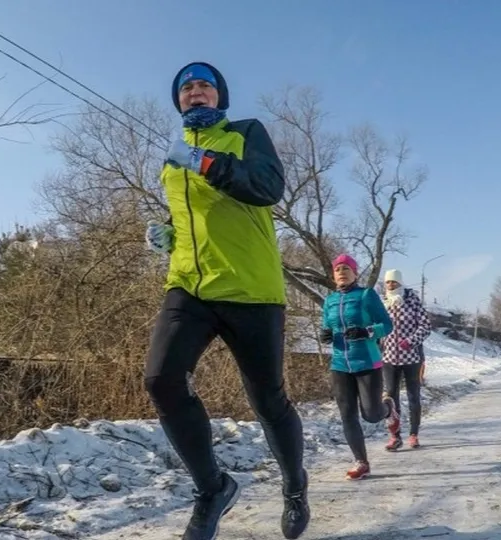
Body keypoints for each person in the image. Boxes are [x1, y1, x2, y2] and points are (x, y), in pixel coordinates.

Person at [144, 61, 309, 540]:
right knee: (161, 380)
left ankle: (295, 486)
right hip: (190, 286)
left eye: (205, 85)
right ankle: (212, 489)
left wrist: (205, 162)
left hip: (250, 288)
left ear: (220, 96)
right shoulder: (171, 162)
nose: (195, 92)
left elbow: (266, 188)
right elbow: (197, 220)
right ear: (178, 100)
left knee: (268, 400)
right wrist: (169, 235)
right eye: (187, 88)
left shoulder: (245, 133)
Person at [319, 254, 400, 480]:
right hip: (339, 364)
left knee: (371, 415)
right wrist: (325, 335)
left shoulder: (366, 295)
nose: (341, 272)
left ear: (355, 273)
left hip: (366, 361)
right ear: (333, 275)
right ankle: (361, 462)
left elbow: (387, 325)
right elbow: (326, 326)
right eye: (338, 269)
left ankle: (388, 408)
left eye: (346, 269)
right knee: (347, 415)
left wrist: (367, 331)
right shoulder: (329, 301)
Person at [380, 269, 431, 450]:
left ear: (400, 283)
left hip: (412, 358)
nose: (391, 285)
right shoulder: (382, 303)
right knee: (391, 399)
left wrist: (411, 341)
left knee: (413, 397)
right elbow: (376, 326)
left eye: (394, 282)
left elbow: (425, 326)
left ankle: (413, 434)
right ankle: (395, 436)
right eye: (388, 282)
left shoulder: (412, 300)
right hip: (389, 359)